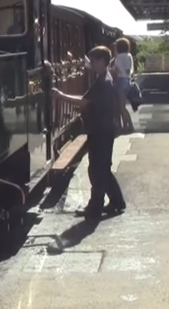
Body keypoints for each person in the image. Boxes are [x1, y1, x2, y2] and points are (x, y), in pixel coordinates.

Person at [52, 46, 126, 220]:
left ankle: (95, 207)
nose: (91, 64)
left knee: (96, 170)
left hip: (100, 130)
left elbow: (84, 102)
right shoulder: (104, 79)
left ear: (102, 61)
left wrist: (60, 95)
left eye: (94, 60)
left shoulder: (102, 82)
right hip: (103, 129)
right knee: (103, 169)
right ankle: (117, 201)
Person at [112, 38, 135, 133]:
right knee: (122, 105)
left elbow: (116, 69)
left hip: (120, 81)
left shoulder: (119, 57)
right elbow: (129, 70)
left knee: (121, 106)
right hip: (127, 81)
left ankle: (129, 125)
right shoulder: (129, 55)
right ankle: (125, 125)